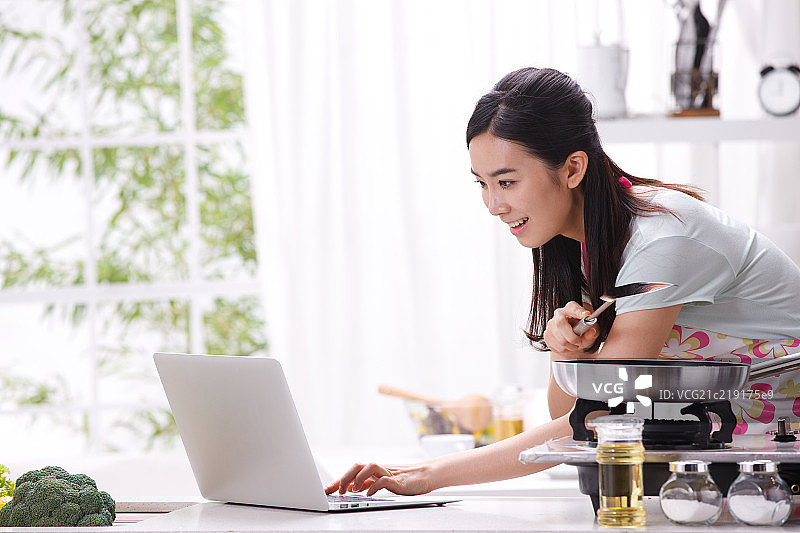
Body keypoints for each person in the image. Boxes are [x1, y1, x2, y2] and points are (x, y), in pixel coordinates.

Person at [324, 67, 800, 497]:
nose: (493, 205)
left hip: (779, 455)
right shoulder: (588, 241)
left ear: (572, 168)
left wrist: (427, 474)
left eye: (506, 182)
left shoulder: (662, 240)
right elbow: (570, 413)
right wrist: (566, 352)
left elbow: (593, 417)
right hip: (737, 453)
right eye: (482, 183)